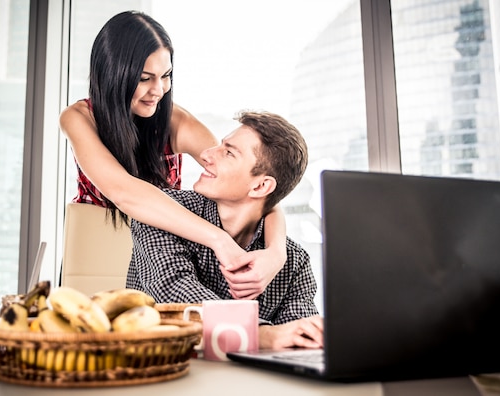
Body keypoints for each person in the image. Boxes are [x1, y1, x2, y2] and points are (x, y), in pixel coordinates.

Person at [59, 10, 287, 300]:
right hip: (95, 251)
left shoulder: (174, 121)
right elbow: (123, 192)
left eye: (166, 76)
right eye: (144, 78)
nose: (159, 90)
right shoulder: (79, 118)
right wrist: (219, 240)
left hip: (163, 254)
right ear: (113, 74)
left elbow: (248, 186)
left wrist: (275, 254)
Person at [127, 111, 323, 350]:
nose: (206, 154)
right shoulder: (159, 212)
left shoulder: (294, 262)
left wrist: (311, 336)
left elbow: (297, 339)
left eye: (228, 152)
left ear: (261, 186)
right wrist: (262, 334)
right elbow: (174, 295)